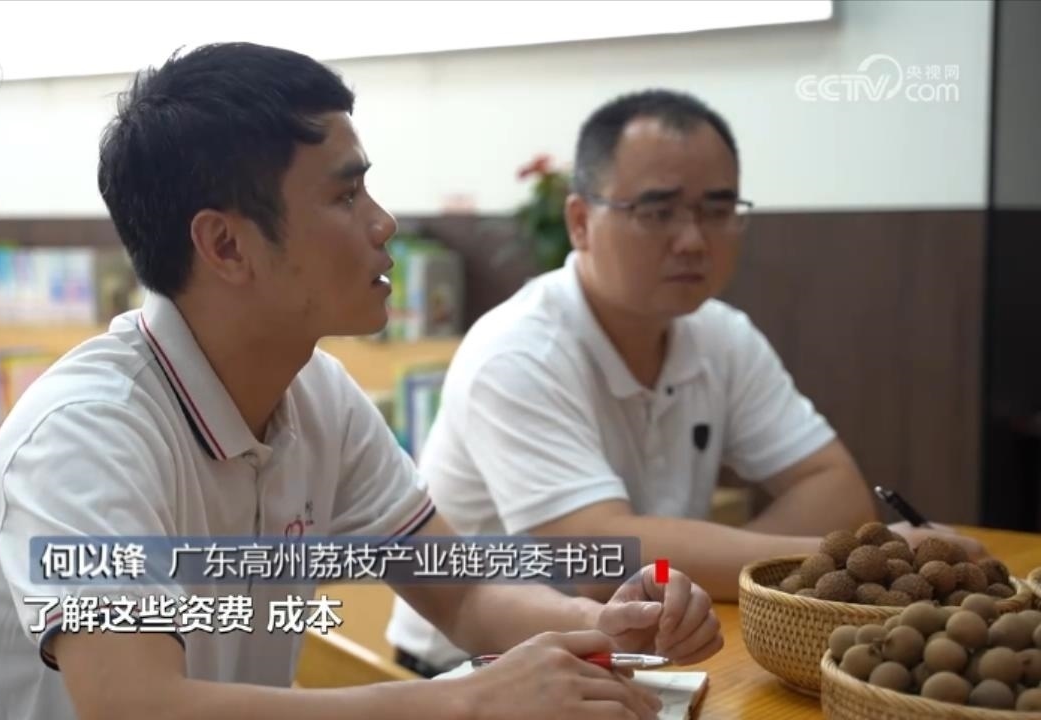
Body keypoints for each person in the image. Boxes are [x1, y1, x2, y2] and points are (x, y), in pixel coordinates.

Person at [0, 46, 723, 720]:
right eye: (344, 194)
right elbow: (138, 704)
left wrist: (599, 623)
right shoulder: (84, 433)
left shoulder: (318, 394)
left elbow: (465, 596)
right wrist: (463, 701)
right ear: (226, 246)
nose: (383, 222)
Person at [386, 89, 987, 677]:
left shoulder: (720, 334)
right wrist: (857, 558)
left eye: (718, 210)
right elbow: (598, 557)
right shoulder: (518, 350)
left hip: (648, 648)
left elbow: (835, 489)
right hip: (474, 665)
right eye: (657, 212)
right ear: (580, 221)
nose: (694, 240)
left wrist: (697, 573)